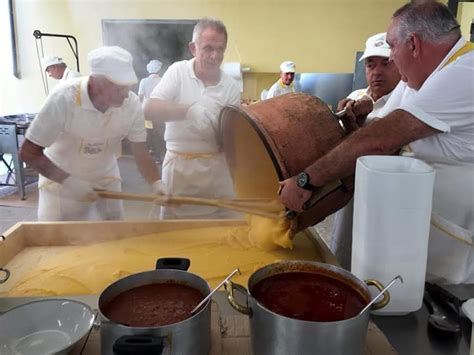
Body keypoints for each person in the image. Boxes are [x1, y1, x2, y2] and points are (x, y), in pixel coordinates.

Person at [279, 2, 473, 284]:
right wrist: (360, 127)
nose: (391, 60)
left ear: (414, 45)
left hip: (454, 251)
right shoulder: (415, 82)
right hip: (415, 238)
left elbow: (381, 140)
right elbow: (380, 133)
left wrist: (306, 180)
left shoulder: (464, 73)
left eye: (392, 49)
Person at [21, 46, 163, 221]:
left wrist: (156, 182)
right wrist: (70, 182)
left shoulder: (131, 104)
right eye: (119, 88)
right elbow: (28, 152)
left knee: (113, 235)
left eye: (128, 87)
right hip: (60, 182)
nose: (126, 94)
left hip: (105, 177)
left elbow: (140, 152)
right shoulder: (63, 98)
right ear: (96, 83)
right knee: (57, 240)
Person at [144, 17, 240, 219]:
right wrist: (189, 111)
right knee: (176, 236)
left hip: (217, 173)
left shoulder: (231, 86)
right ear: (193, 48)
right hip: (179, 170)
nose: (215, 56)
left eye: (220, 49)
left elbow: (231, 140)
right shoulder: (178, 72)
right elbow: (150, 109)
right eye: (208, 48)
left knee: (219, 237)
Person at [330, 32, 401, 269]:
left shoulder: (404, 103)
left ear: (399, 63)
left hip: (388, 197)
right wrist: (340, 120)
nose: (377, 72)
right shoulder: (354, 97)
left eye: (386, 63)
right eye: (371, 65)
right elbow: (335, 147)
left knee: (377, 258)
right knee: (343, 249)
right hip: (350, 192)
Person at [138, 59, 166, 163]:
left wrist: (138, 109)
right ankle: (160, 156)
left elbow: (140, 97)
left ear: (149, 69)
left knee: (150, 131)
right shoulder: (163, 80)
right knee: (160, 132)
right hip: (160, 112)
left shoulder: (144, 81)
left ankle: (153, 150)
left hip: (147, 113)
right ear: (159, 70)